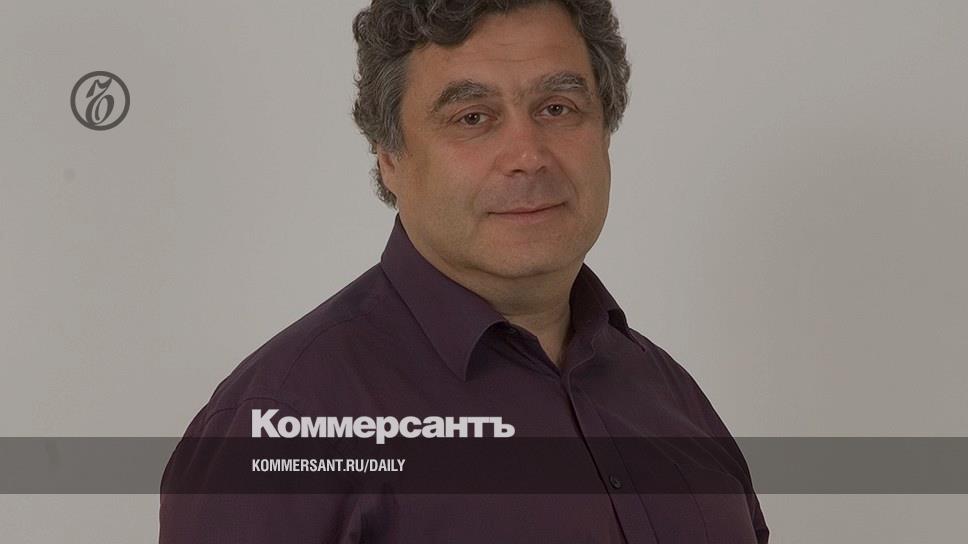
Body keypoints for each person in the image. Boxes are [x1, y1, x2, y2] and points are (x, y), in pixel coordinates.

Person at [160, 1, 770, 542]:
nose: (528, 155)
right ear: (390, 156)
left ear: (604, 133)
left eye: (557, 108)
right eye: (472, 117)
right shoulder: (284, 421)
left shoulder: (671, 397)